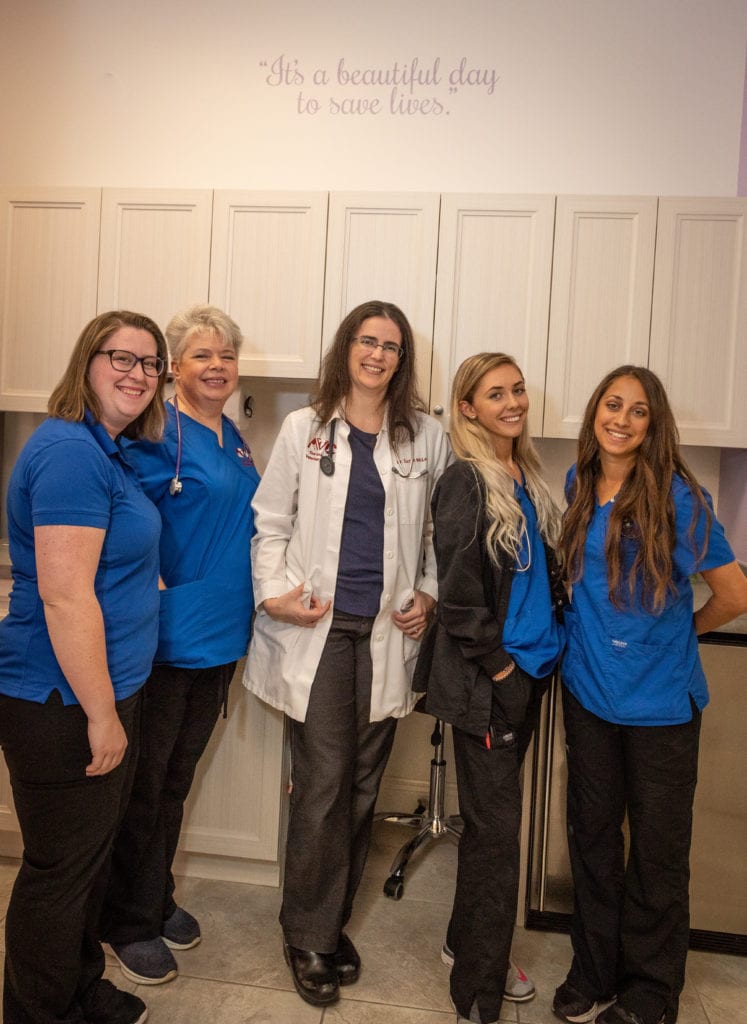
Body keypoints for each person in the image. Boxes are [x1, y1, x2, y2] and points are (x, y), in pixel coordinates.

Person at [244, 299, 451, 1007]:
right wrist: (272, 593)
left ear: (402, 359)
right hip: (322, 633)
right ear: (347, 349)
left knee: (362, 788)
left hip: (389, 633)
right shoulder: (306, 429)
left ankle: (327, 921)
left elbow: (431, 539)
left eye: (391, 346)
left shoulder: (425, 436)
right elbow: (269, 524)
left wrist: (426, 593)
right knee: (326, 782)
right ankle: (306, 932)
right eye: (367, 341)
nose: (378, 355)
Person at [552, 366, 747, 1024]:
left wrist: (679, 638)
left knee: (657, 851)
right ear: (594, 412)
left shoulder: (676, 498)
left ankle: (648, 992)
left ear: (653, 424)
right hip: (587, 695)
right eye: (612, 404)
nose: (622, 419)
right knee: (593, 840)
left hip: (660, 707)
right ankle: (592, 969)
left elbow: (733, 594)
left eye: (638, 411)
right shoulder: (578, 483)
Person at [0, 311, 168, 1024]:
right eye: (119, 358)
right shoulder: (70, 451)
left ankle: (79, 988)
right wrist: (101, 713)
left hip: (102, 689)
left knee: (88, 865)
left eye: (150, 363)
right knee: (58, 874)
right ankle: (38, 1012)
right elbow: (66, 597)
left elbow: (104, 564)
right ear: (86, 363)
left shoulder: (109, 450)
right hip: (59, 700)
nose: (136, 374)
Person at [100, 305, 261, 985]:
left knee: (173, 783)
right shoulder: (155, 433)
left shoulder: (233, 435)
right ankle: (127, 921)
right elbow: (120, 515)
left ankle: (153, 897)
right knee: (144, 788)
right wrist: (158, 580)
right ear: (174, 367)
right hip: (167, 641)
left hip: (221, 637)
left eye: (225, 353)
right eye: (201, 354)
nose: (217, 365)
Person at [415, 352, 566, 1024]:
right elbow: (460, 599)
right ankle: (476, 991)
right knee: (497, 836)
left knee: (488, 832)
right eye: (494, 393)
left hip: (529, 674)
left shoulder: (526, 477)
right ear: (468, 408)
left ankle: (464, 944)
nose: (513, 402)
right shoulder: (465, 483)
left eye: (518, 390)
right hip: (489, 681)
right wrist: (502, 672)